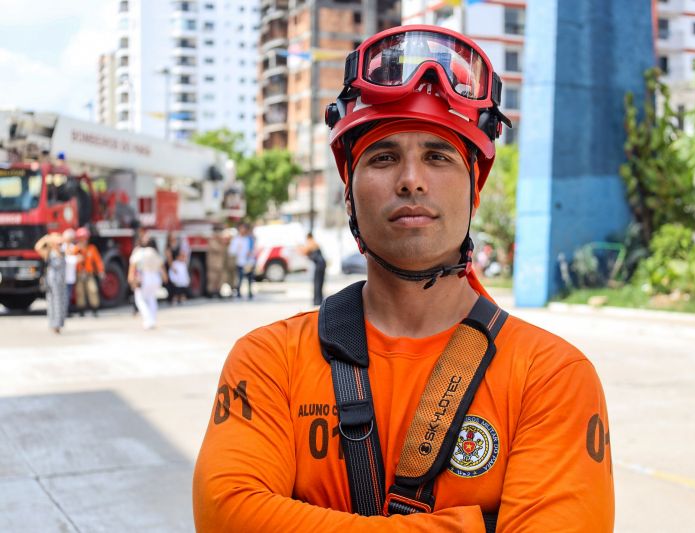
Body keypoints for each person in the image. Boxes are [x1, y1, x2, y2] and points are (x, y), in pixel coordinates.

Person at [194, 25, 614, 532]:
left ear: (473, 189)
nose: (411, 178)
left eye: (438, 156)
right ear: (349, 194)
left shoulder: (550, 377)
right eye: (383, 157)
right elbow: (225, 516)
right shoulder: (269, 361)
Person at [128, 233, 167, 330]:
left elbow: (133, 265)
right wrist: (165, 277)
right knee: (151, 299)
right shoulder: (154, 252)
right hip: (155, 277)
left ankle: (147, 320)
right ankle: (152, 320)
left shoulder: (138, 252)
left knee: (140, 299)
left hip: (144, 277)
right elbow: (161, 266)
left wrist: (131, 277)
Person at [34, 232, 67, 333]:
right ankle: (54, 324)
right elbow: (37, 247)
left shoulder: (62, 252)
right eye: (57, 243)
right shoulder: (48, 253)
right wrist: (46, 238)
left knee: (61, 302)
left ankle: (59, 323)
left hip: (61, 280)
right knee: (52, 302)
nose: (60, 245)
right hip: (52, 281)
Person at [74, 226, 104, 317]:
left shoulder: (91, 248)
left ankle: (95, 309)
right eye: (82, 238)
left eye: (85, 238)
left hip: (89, 274)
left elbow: (98, 261)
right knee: (80, 292)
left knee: (93, 290)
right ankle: (81, 310)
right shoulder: (75, 249)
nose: (84, 240)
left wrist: (101, 271)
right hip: (79, 274)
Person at [228, 222, 255, 299]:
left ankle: (250, 292)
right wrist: (237, 249)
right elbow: (231, 251)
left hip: (249, 262)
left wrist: (251, 253)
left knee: (250, 278)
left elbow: (253, 249)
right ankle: (239, 292)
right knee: (240, 278)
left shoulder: (249, 239)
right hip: (240, 261)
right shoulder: (236, 239)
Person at [303, 232, 327, 305]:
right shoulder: (315, 243)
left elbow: (305, 251)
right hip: (321, 264)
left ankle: (317, 301)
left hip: (319, 265)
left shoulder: (311, 242)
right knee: (319, 283)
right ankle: (318, 300)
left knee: (317, 283)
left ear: (309, 237)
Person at [61, 228, 79, 316]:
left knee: (68, 295)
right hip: (62, 277)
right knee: (63, 295)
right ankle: (63, 311)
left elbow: (79, 258)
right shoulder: (61, 248)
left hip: (70, 276)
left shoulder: (74, 248)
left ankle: (66, 311)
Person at [206, 225, 227, 298]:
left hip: (220, 264)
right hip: (213, 264)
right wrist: (221, 242)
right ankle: (210, 292)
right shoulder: (212, 241)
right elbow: (218, 249)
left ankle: (218, 291)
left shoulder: (220, 241)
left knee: (220, 278)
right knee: (212, 278)